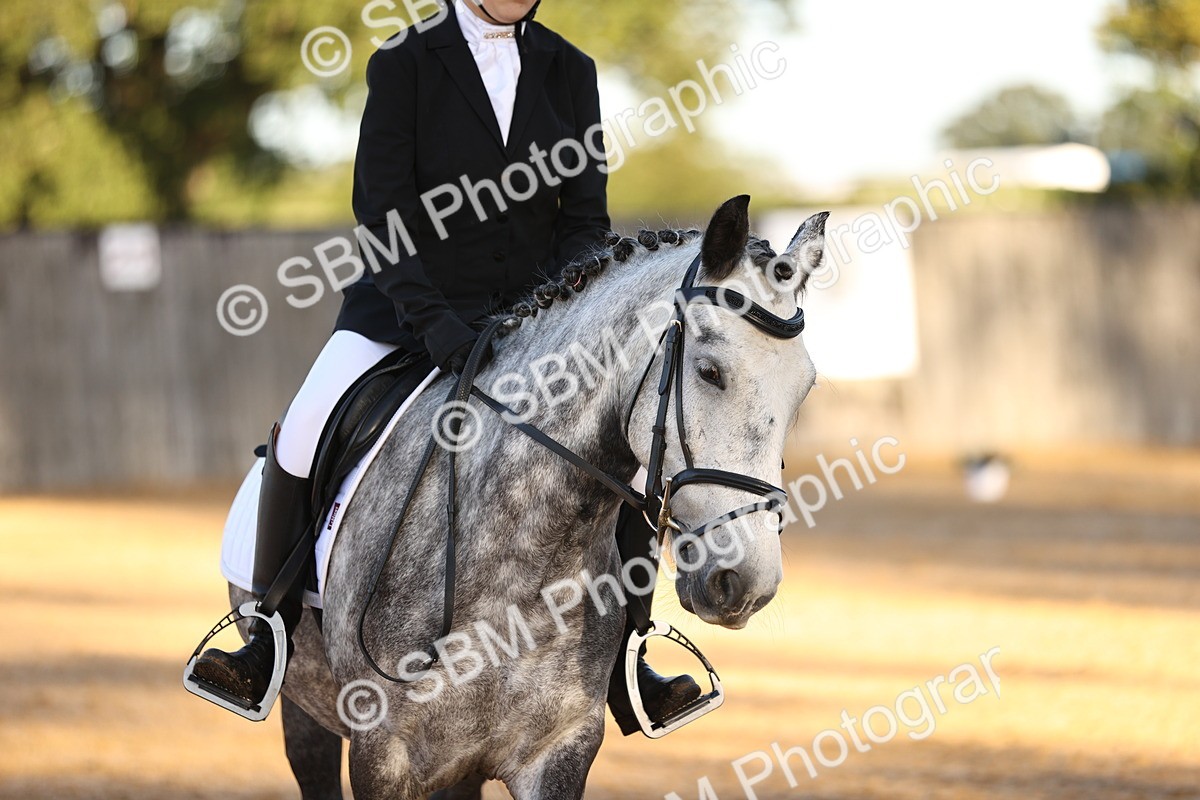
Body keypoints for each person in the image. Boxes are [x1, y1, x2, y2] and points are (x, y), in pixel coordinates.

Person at [190, 0, 699, 729]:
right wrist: (440, 326)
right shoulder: (404, 64)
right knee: (304, 428)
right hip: (405, 314)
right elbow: (383, 213)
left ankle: (629, 656)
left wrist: (542, 321)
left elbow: (584, 221)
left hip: (530, 326)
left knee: (630, 458)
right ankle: (265, 635)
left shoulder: (570, 69)